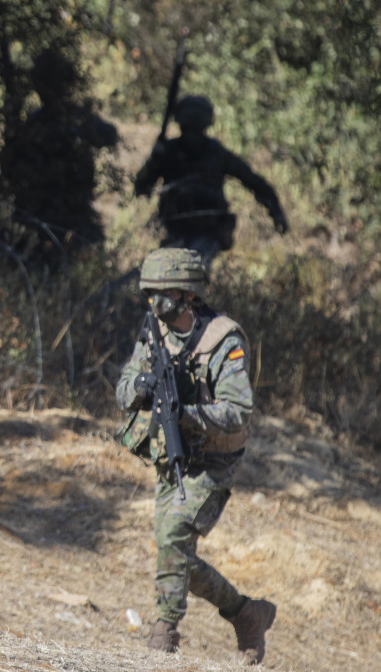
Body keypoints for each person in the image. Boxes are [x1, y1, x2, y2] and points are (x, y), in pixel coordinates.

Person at [115, 247, 276, 664]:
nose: (155, 304)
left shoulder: (223, 339)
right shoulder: (154, 332)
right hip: (172, 455)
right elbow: (122, 390)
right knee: (175, 553)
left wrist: (186, 414)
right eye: (150, 294)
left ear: (187, 295)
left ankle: (164, 635)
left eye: (163, 294)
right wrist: (142, 388)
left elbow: (238, 409)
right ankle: (245, 613)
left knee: (173, 539)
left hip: (213, 461)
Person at [133, 95, 287, 265]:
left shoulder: (216, 153)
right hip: (176, 231)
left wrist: (276, 211)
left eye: (195, 129)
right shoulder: (168, 151)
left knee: (191, 272)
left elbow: (253, 181)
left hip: (208, 232)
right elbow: (141, 187)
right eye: (188, 129)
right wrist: (153, 161)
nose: (192, 136)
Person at [1, 48, 118, 245]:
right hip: (36, 218)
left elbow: (110, 135)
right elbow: (9, 168)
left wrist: (82, 133)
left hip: (73, 216)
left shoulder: (78, 118)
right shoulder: (32, 124)